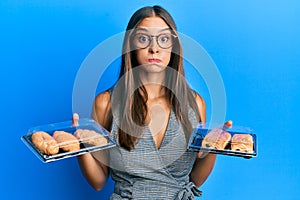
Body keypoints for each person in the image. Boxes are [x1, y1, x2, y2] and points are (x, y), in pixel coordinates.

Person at [77, 5, 217, 199]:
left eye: (164, 39)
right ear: (131, 46)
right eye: (143, 39)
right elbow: (98, 181)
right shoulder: (106, 103)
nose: (154, 48)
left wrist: (215, 147)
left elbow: (196, 178)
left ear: (173, 47)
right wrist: (80, 146)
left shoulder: (195, 103)